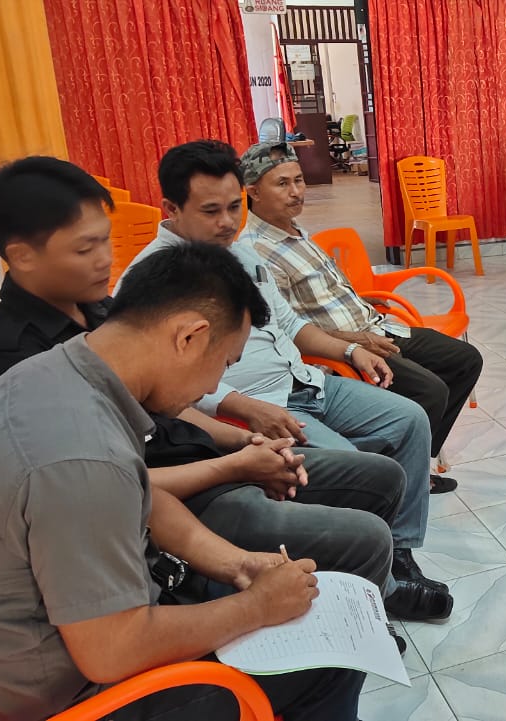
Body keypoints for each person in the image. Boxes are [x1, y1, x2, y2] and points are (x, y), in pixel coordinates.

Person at [0, 242, 367, 721]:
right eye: (224, 364)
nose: (211, 388)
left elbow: (144, 495)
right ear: (189, 337)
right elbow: (112, 651)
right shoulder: (83, 456)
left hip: (3, 651)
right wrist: (256, 608)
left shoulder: (55, 372)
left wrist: (239, 565)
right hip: (59, 698)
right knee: (331, 655)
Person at [0, 157, 401, 607]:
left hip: (197, 465)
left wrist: (244, 441)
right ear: (22, 256)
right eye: (85, 249)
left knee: (378, 476)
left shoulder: (102, 312)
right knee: (361, 538)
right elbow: (110, 490)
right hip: (173, 503)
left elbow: (164, 404)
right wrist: (235, 469)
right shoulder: (12, 365)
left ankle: (378, 592)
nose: (105, 260)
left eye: (105, 241)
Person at [118, 140, 451, 620]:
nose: (227, 222)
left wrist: (349, 349)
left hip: (302, 378)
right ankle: (370, 588)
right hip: (252, 404)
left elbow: (290, 324)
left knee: (410, 419)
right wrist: (242, 408)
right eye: (211, 211)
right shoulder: (151, 282)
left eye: (234, 207)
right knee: (355, 469)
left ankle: (396, 556)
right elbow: (164, 391)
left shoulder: (241, 249)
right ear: (171, 209)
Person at [238, 141, 483, 494]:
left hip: (374, 325)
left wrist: (358, 300)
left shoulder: (294, 230)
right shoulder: (256, 252)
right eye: (282, 184)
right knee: (431, 390)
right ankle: (404, 477)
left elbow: (319, 293)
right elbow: (286, 327)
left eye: (299, 180)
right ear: (253, 192)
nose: (296, 192)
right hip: (347, 347)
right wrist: (355, 342)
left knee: (465, 359)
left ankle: (414, 461)